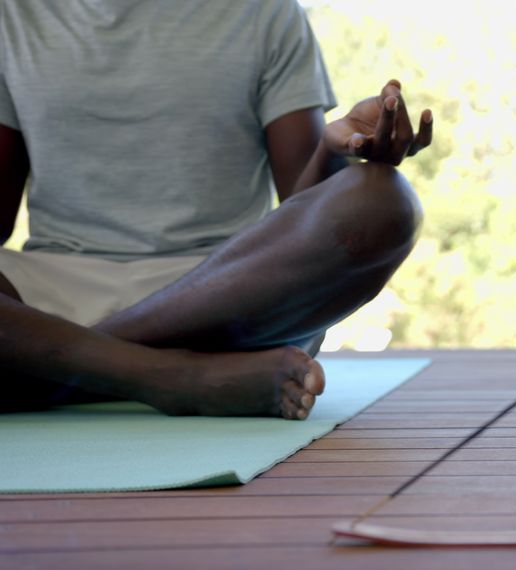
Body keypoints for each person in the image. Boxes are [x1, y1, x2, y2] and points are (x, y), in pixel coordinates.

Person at [0, 0, 433, 419]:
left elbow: (302, 206)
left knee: (381, 198)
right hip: (47, 293)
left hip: (220, 294)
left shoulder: (265, 10)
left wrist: (331, 148)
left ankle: (51, 367)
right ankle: (172, 376)